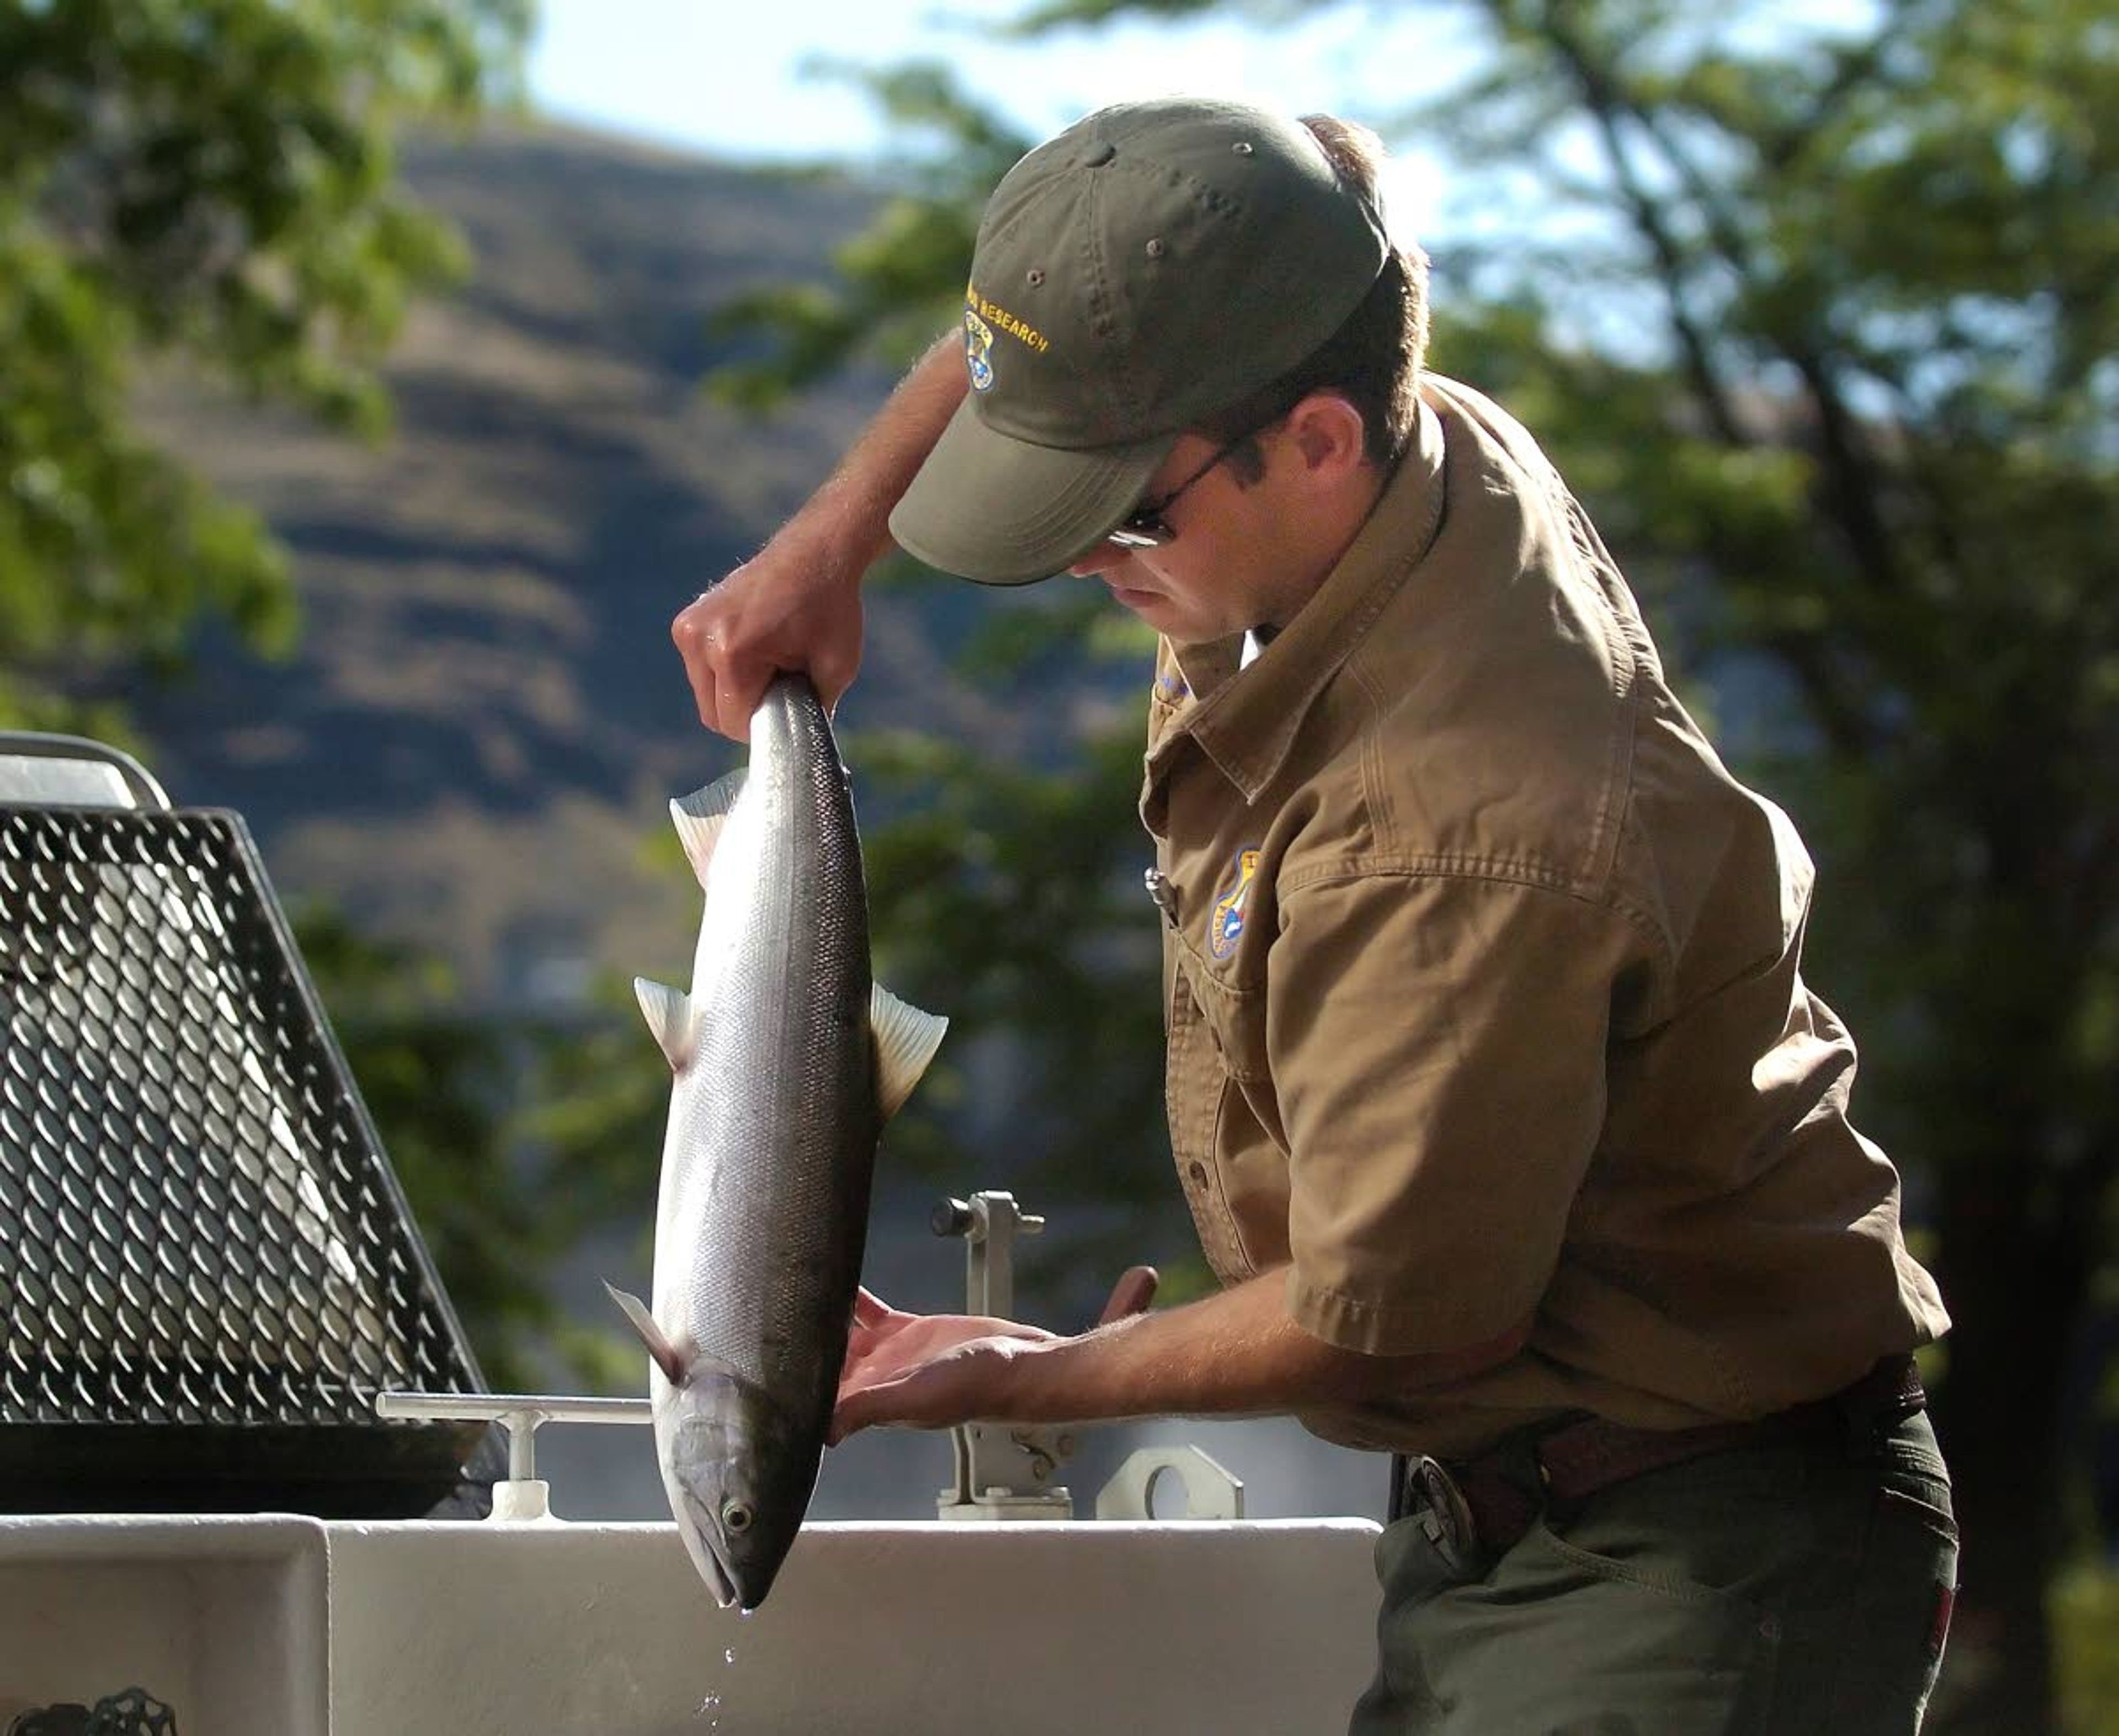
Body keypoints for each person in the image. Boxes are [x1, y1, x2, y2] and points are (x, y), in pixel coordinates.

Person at [672, 97, 1958, 1734]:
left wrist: (1011, 1378)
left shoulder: (1461, 824)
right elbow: (1073, 322)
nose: (1082, 561)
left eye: (1121, 511)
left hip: (1689, 1552)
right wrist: (828, 542)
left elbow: (1384, 1310)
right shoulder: (1377, 423)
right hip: (1493, 1511)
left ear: (1321, 441)